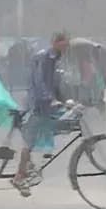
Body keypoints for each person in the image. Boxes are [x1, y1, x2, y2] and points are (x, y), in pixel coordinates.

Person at [12, 32, 70, 197]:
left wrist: (64, 99)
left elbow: (54, 84)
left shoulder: (55, 59)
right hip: (37, 104)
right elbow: (40, 82)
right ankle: (20, 176)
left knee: (56, 128)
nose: (64, 47)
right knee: (28, 143)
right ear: (55, 42)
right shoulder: (43, 57)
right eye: (62, 44)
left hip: (47, 104)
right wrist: (50, 98)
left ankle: (31, 167)